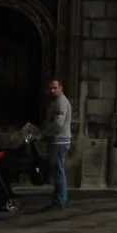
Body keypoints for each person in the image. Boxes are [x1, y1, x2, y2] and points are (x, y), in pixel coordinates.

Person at [41, 79, 72, 211]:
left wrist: (45, 133)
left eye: (55, 88)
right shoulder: (55, 101)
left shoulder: (61, 102)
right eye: (50, 88)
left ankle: (60, 201)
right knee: (57, 171)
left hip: (59, 141)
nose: (52, 90)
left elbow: (58, 124)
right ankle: (58, 200)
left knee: (58, 171)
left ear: (61, 88)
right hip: (57, 140)